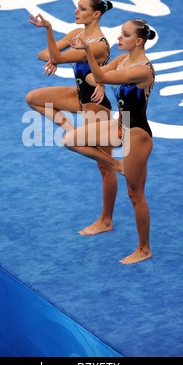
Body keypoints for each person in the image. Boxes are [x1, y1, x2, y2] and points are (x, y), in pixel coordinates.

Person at [63, 19, 156, 264]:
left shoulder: (143, 69)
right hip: (120, 125)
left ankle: (144, 249)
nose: (119, 38)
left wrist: (87, 54)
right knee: (71, 139)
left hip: (137, 134)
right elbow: (95, 79)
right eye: (120, 33)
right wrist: (103, 80)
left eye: (124, 35)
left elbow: (99, 75)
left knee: (135, 194)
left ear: (138, 41)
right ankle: (116, 165)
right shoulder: (124, 61)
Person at [26, 0, 118, 235]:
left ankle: (106, 219)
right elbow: (44, 55)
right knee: (34, 99)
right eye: (77, 7)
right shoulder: (76, 35)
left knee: (104, 168)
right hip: (79, 96)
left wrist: (48, 29)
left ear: (96, 14)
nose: (76, 12)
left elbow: (54, 55)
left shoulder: (98, 44)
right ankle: (72, 131)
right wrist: (57, 57)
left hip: (96, 106)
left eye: (82, 8)